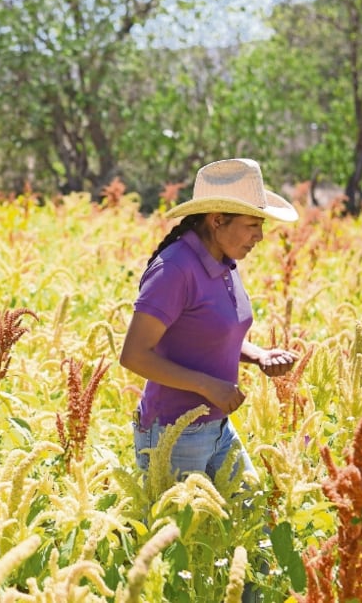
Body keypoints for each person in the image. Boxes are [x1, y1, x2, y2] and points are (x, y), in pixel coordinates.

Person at [120, 158, 299, 485]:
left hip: (217, 427)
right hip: (174, 434)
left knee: (254, 518)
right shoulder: (174, 269)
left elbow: (209, 334)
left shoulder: (224, 261)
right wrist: (207, 385)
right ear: (218, 220)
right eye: (252, 225)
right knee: (179, 533)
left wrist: (258, 355)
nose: (260, 236)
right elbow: (133, 354)